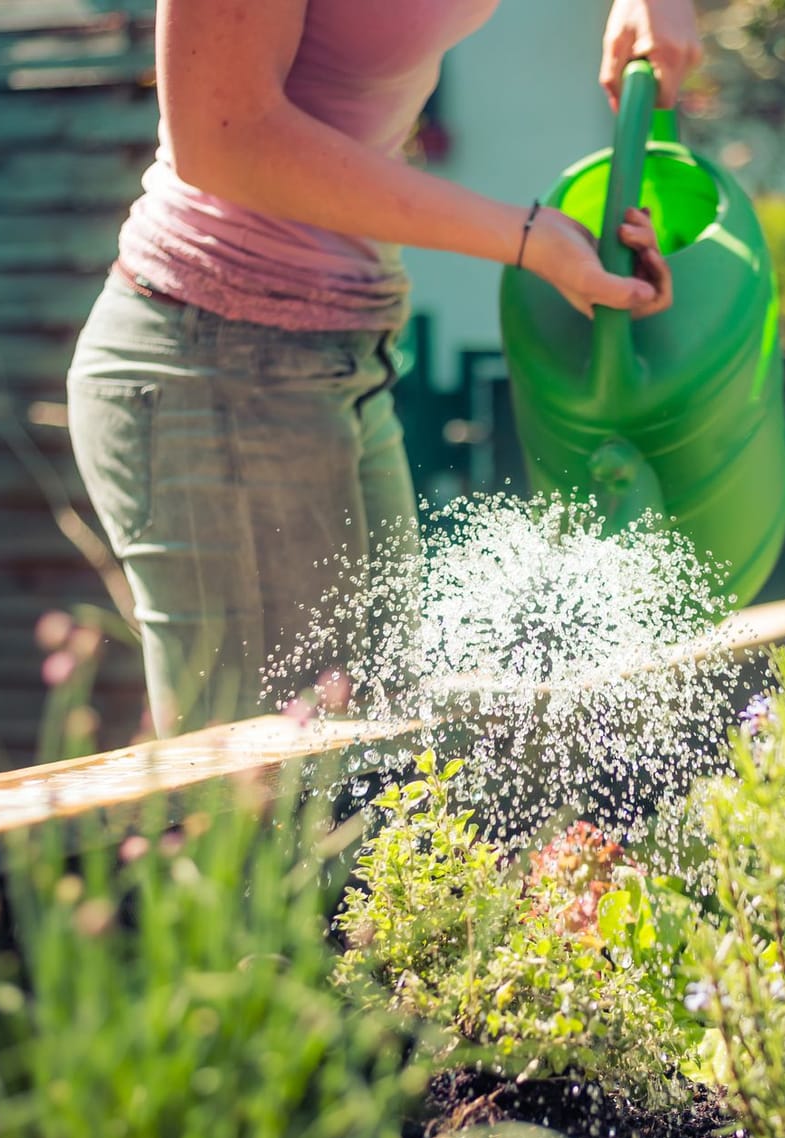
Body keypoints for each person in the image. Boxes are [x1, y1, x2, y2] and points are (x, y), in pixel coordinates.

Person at [67, 0, 702, 735]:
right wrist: (528, 237)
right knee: (268, 810)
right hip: (219, 358)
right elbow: (223, 137)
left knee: (374, 762)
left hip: (343, 360)